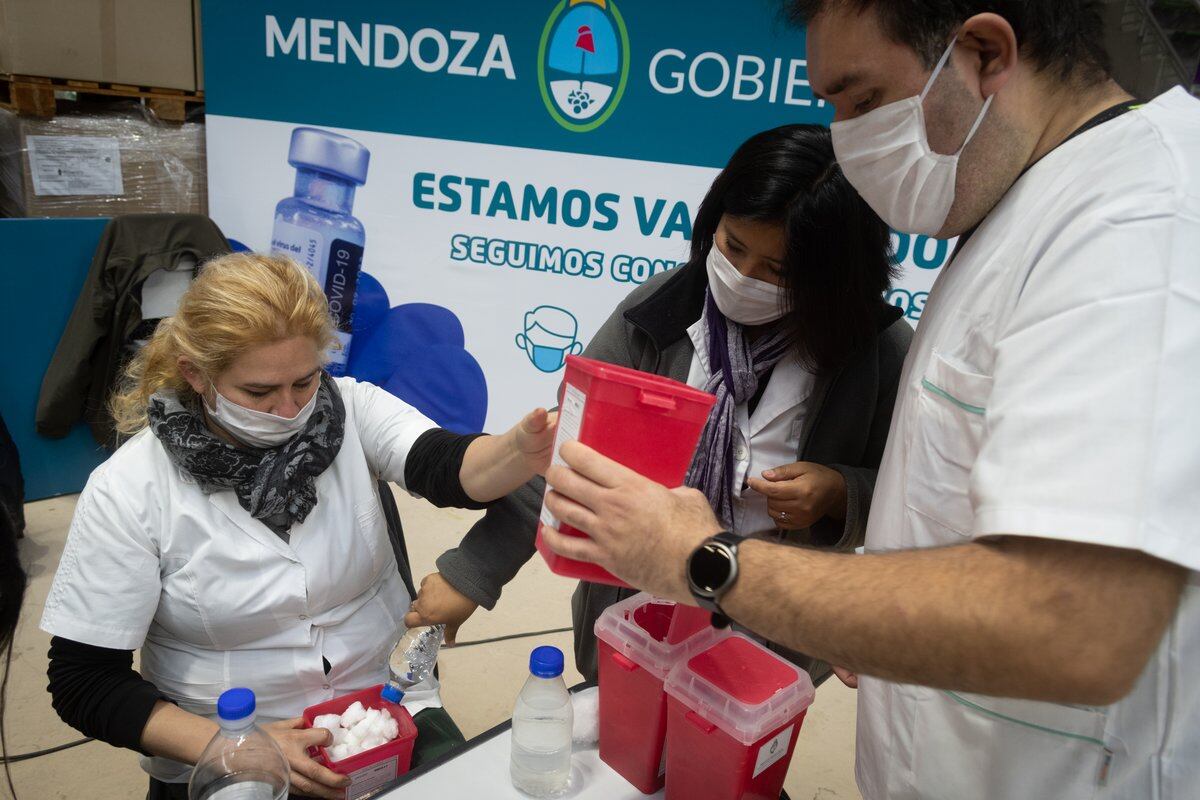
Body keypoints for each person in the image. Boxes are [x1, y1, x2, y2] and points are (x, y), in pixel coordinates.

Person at [538, 3, 1200, 799]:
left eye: (860, 101)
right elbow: (948, 510)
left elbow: (1074, 622)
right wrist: (871, 613)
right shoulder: (1022, 213)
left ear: (983, 52)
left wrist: (707, 558)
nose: (849, 140)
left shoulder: (1139, 228)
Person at [409, 124, 912, 686]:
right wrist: (471, 574)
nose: (744, 278)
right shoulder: (658, 316)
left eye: (778, 272)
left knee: (730, 749)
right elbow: (566, 457)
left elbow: (919, 497)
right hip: (632, 610)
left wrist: (842, 494)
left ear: (835, 277)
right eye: (733, 246)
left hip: (773, 631)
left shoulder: (877, 352)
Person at [39, 253, 557, 800]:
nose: (288, 410)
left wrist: (516, 452)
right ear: (196, 373)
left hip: (381, 711)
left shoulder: (352, 410)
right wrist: (234, 746)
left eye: (305, 381)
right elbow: (83, 682)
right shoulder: (130, 487)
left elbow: (445, 465)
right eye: (258, 393)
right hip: (227, 738)